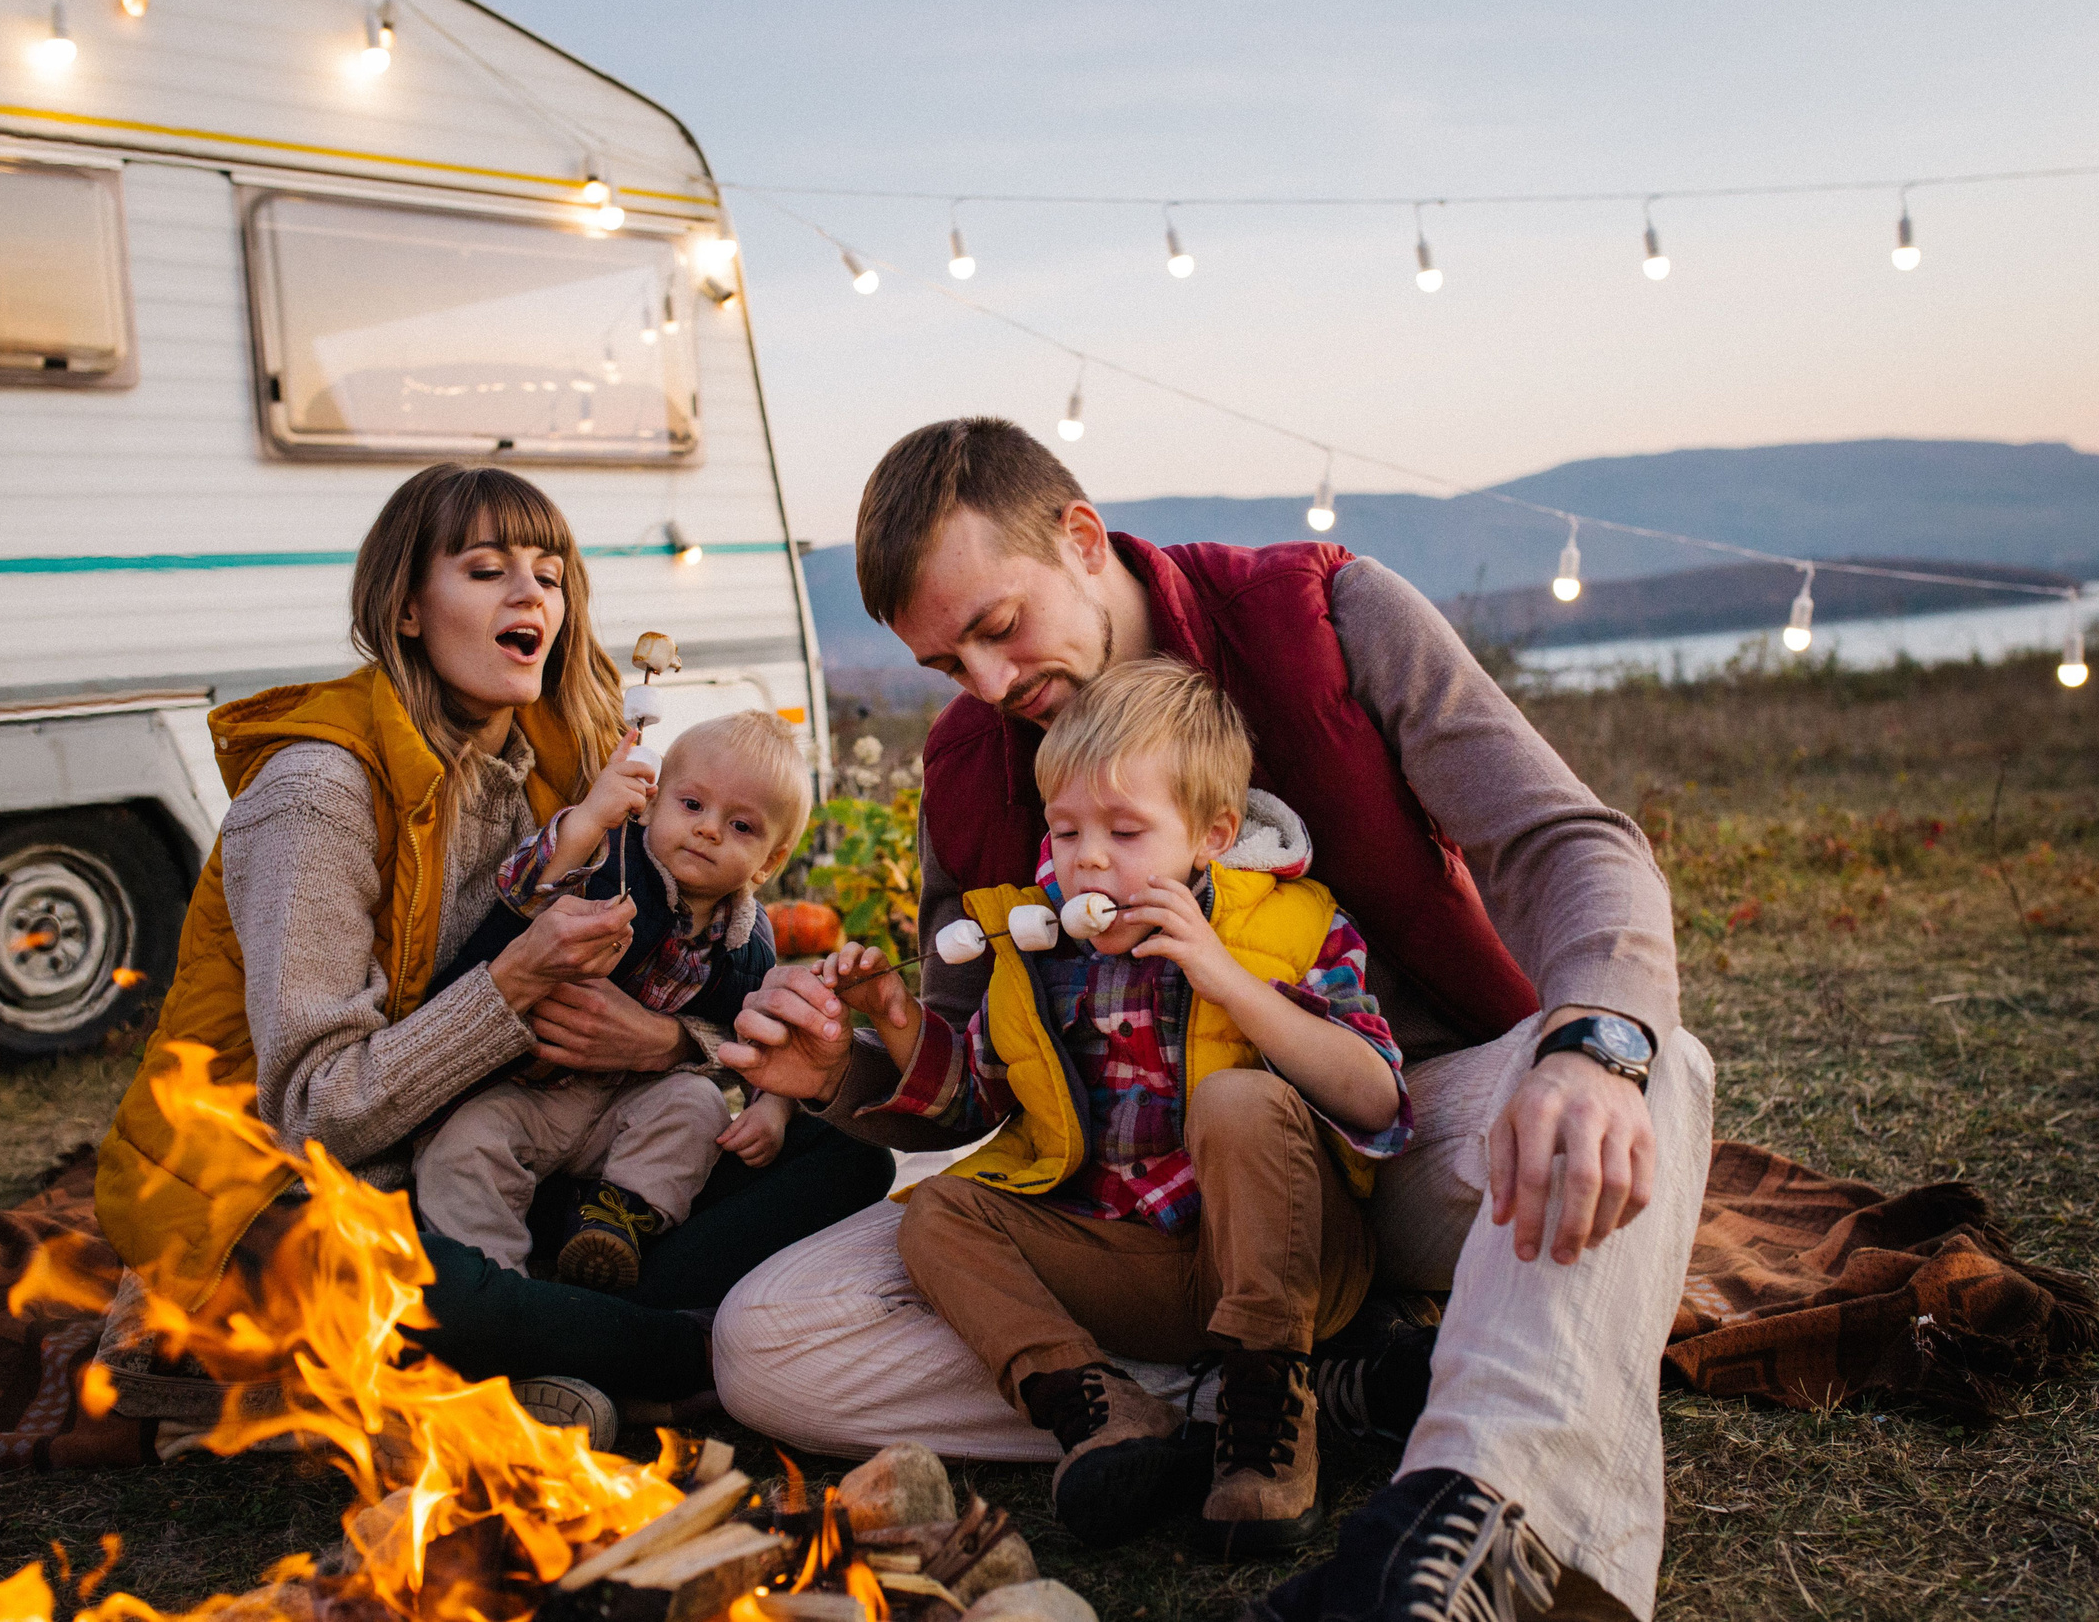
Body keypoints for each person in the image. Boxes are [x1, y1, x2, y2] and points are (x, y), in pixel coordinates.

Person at [717, 418, 1715, 1621]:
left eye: (999, 626)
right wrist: (842, 1066)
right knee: (767, 1339)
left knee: (1650, 1062)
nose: (988, 687)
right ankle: (1284, 1395)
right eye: (946, 666)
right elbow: (963, 1079)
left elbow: (1568, 842)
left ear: (1082, 539)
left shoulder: (1324, 619)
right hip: (1131, 1208)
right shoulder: (969, 766)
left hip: (1402, 1132)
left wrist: (1592, 1043)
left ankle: (1488, 1526)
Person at [92, 463, 893, 1446]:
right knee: (439, 1288)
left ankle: (569, 1336)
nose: (531, 597)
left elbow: (693, 966)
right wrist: (511, 984)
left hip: (502, 1140)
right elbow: (316, 1115)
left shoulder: (547, 770)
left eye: (548, 576)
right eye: (486, 571)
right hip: (290, 1186)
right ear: (407, 609)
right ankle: (674, 1353)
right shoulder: (317, 795)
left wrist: (665, 1045)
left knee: (842, 1154)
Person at [826, 658, 1410, 1557]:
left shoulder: (1295, 922)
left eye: (1125, 830)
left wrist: (1226, 977)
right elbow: (978, 1095)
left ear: (1212, 834)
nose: (1088, 858)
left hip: (1290, 1254)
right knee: (937, 1211)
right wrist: (898, 1022)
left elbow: (1376, 1096)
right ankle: (1104, 1408)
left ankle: (1266, 1415)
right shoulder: (1038, 951)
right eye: (1065, 830)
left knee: (1237, 1099)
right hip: (1137, 1264)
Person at [415, 708, 812, 1291]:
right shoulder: (611, 860)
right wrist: (585, 823)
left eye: (742, 827)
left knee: (698, 1105)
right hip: (529, 1092)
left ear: (771, 862)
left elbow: (769, 1037)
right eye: (692, 805)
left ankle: (615, 1218)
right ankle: (496, 1284)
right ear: (650, 804)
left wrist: (772, 1109)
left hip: (629, 1105)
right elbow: (524, 889)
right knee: (463, 1150)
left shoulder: (749, 946)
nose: (709, 830)